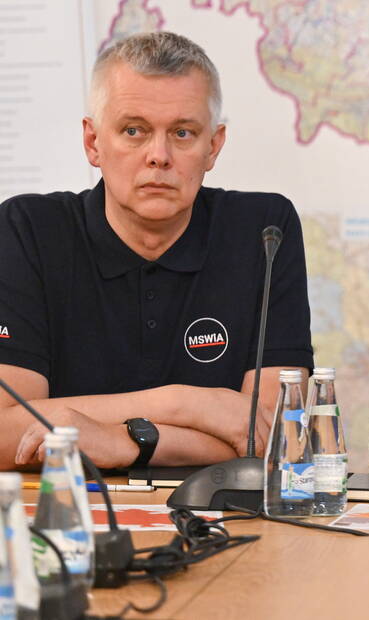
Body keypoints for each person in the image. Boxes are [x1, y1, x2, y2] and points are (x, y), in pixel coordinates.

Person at [0, 32, 313, 471]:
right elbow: (5, 434)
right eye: (134, 131)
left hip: (224, 519)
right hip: (67, 512)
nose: (158, 156)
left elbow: (278, 437)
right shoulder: (27, 229)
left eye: (183, 133)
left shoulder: (264, 229)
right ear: (93, 142)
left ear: (213, 146)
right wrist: (188, 405)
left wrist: (127, 442)